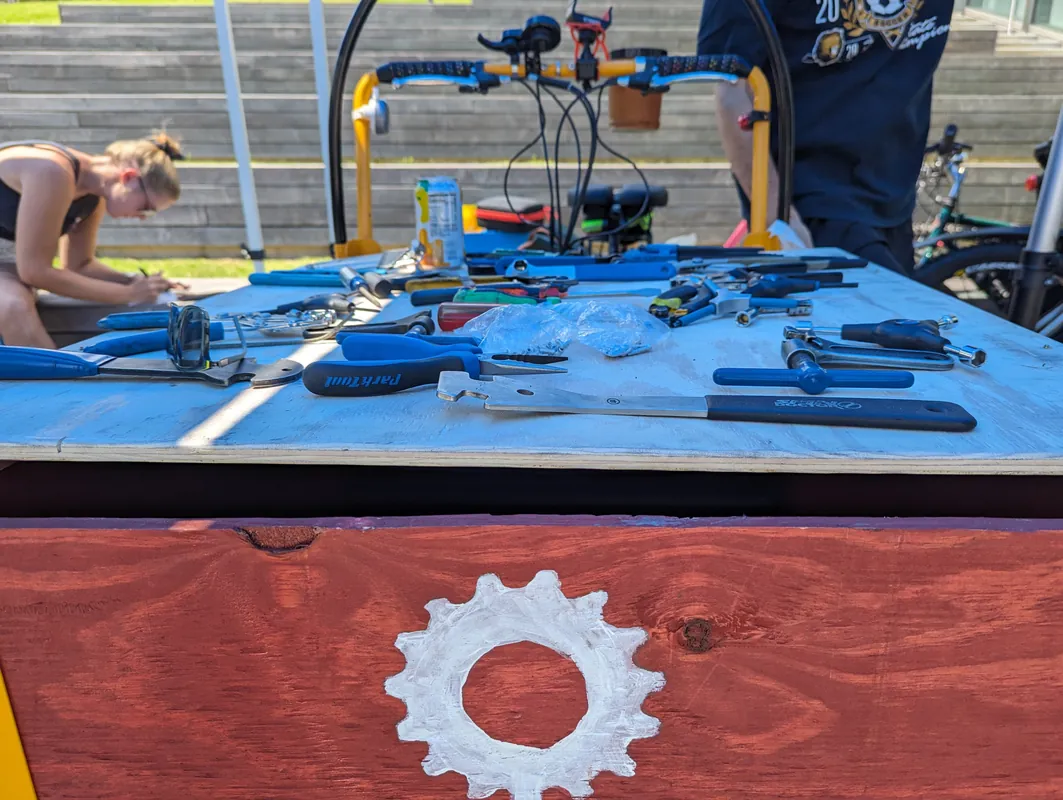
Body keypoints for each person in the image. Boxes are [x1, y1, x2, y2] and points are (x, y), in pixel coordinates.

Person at [699, 0, 955, 275]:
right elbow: (732, 90)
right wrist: (779, 221)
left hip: (894, 201)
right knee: (901, 302)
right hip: (811, 204)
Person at [0, 133, 186, 348]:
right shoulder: (52, 172)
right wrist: (128, 294)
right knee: (13, 306)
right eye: (146, 208)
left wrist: (134, 282)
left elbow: (80, 265)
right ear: (129, 178)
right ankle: (57, 372)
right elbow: (35, 271)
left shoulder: (91, 195)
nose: (142, 217)